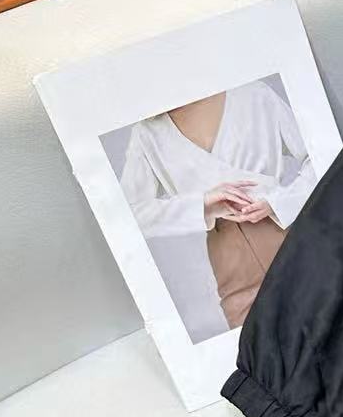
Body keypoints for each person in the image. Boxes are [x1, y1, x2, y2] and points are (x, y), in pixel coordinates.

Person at [119, 78, 316, 330]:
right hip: (227, 252)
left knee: (326, 318)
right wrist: (201, 205)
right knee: (255, 341)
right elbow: (127, 215)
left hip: (284, 230)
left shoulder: (252, 93)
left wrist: (279, 202)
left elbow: (323, 153)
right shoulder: (147, 133)